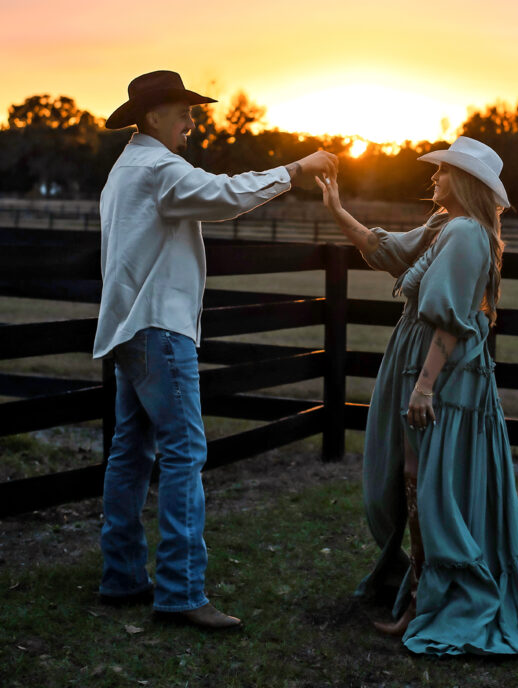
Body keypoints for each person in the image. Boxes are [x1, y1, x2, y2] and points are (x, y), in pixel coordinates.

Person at [316, 136, 518, 656]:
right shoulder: (445, 226)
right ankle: (421, 591)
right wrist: (336, 209)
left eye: (441, 172)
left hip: (443, 375)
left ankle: (429, 597)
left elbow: (453, 320)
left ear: (462, 181)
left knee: (426, 483)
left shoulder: (468, 234)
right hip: (419, 362)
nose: (434, 179)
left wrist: (424, 386)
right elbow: (388, 251)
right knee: (411, 479)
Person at [94, 70, 337, 629]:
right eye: (183, 109)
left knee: (131, 451)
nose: (191, 118)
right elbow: (225, 197)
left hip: (131, 330)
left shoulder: (123, 171)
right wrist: (295, 170)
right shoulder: (158, 168)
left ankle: (123, 576)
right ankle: (180, 593)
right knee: (183, 454)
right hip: (159, 328)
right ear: (153, 116)